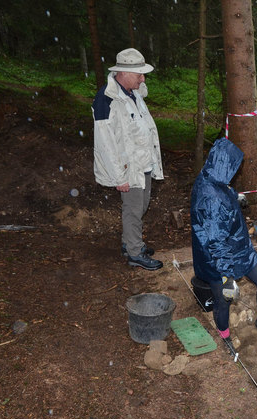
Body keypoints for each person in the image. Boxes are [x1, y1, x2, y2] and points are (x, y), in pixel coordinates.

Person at [190, 138, 257, 354]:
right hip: (216, 258)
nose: (236, 169)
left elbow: (221, 189)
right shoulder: (210, 199)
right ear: (224, 165)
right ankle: (225, 338)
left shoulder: (211, 176)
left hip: (238, 246)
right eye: (234, 165)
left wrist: (235, 195)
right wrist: (226, 277)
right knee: (223, 300)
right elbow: (215, 242)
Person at [92, 48, 163, 271]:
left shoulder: (133, 93)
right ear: (123, 72)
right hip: (127, 167)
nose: (143, 78)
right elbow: (105, 143)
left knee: (141, 205)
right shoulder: (106, 100)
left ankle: (129, 242)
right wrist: (119, 176)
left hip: (143, 162)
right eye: (139, 74)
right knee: (133, 209)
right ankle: (134, 253)